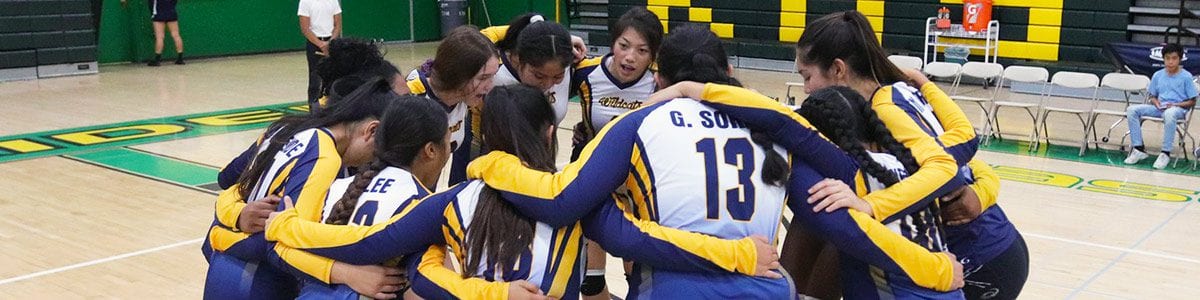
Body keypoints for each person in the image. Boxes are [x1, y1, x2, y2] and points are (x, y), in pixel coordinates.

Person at [469, 26, 964, 299]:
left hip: (672, 290)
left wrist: (489, 162)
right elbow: (839, 220)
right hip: (763, 291)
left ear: (659, 77)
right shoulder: (773, 130)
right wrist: (933, 269)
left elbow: (561, 202)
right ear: (727, 72)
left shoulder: (639, 124)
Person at [264, 85, 781, 300]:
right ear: (549, 134)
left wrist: (284, 230)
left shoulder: (453, 200)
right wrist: (736, 253)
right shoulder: (580, 204)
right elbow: (643, 242)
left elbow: (386, 257)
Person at [652, 11, 1024, 299]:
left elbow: (949, 174)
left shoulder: (888, 105)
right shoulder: (897, 97)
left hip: (974, 256)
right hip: (991, 248)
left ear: (838, 70)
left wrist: (875, 205)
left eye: (807, 75)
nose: (805, 87)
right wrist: (986, 185)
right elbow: (964, 153)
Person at [203, 78, 395, 299]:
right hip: (258, 280)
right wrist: (347, 274)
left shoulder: (287, 128)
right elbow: (284, 245)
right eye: (378, 151)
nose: (371, 161)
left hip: (225, 270)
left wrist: (225, 227)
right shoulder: (324, 156)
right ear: (372, 130)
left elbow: (234, 186)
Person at [280, 94, 452, 299]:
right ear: (431, 150)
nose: (450, 152)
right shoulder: (423, 205)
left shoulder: (337, 187)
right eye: (449, 144)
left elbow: (289, 254)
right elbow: (435, 289)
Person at [567, 8, 662, 297]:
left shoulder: (662, 83)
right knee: (590, 280)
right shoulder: (584, 73)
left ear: (653, 55)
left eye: (642, 50)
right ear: (612, 44)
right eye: (624, 46)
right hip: (593, 187)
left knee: (638, 278)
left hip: (637, 192)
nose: (630, 57)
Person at [405, 26, 501, 186]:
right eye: (483, 77)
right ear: (457, 74)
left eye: (492, 77)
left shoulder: (468, 101)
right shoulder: (411, 96)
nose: (489, 86)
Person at [1125, 43, 1198, 169]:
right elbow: (1152, 96)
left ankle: (1165, 153)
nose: (1170, 62)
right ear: (1163, 59)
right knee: (1132, 110)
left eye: (1174, 58)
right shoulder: (1157, 75)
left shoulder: (1186, 77)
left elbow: (1192, 101)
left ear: (1179, 59)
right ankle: (1138, 148)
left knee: (1170, 114)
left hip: (1177, 109)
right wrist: (1156, 102)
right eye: (1167, 58)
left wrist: (1175, 104)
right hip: (1159, 108)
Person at [298, 0, 343, 110]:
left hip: (332, 42)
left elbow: (337, 25)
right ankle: (314, 107)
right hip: (314, 42)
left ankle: (333, 104)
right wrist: (321, 45)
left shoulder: (333, 1)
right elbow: (305, 28)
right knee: (315, 76)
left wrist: (330, 43)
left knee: (334, 74)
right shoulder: (305, 2)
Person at [124, 0, 185, 66]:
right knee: (176, 35)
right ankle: (180, 58)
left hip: (158, 14)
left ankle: (157, 59)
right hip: (171, 12)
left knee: (159, 37)